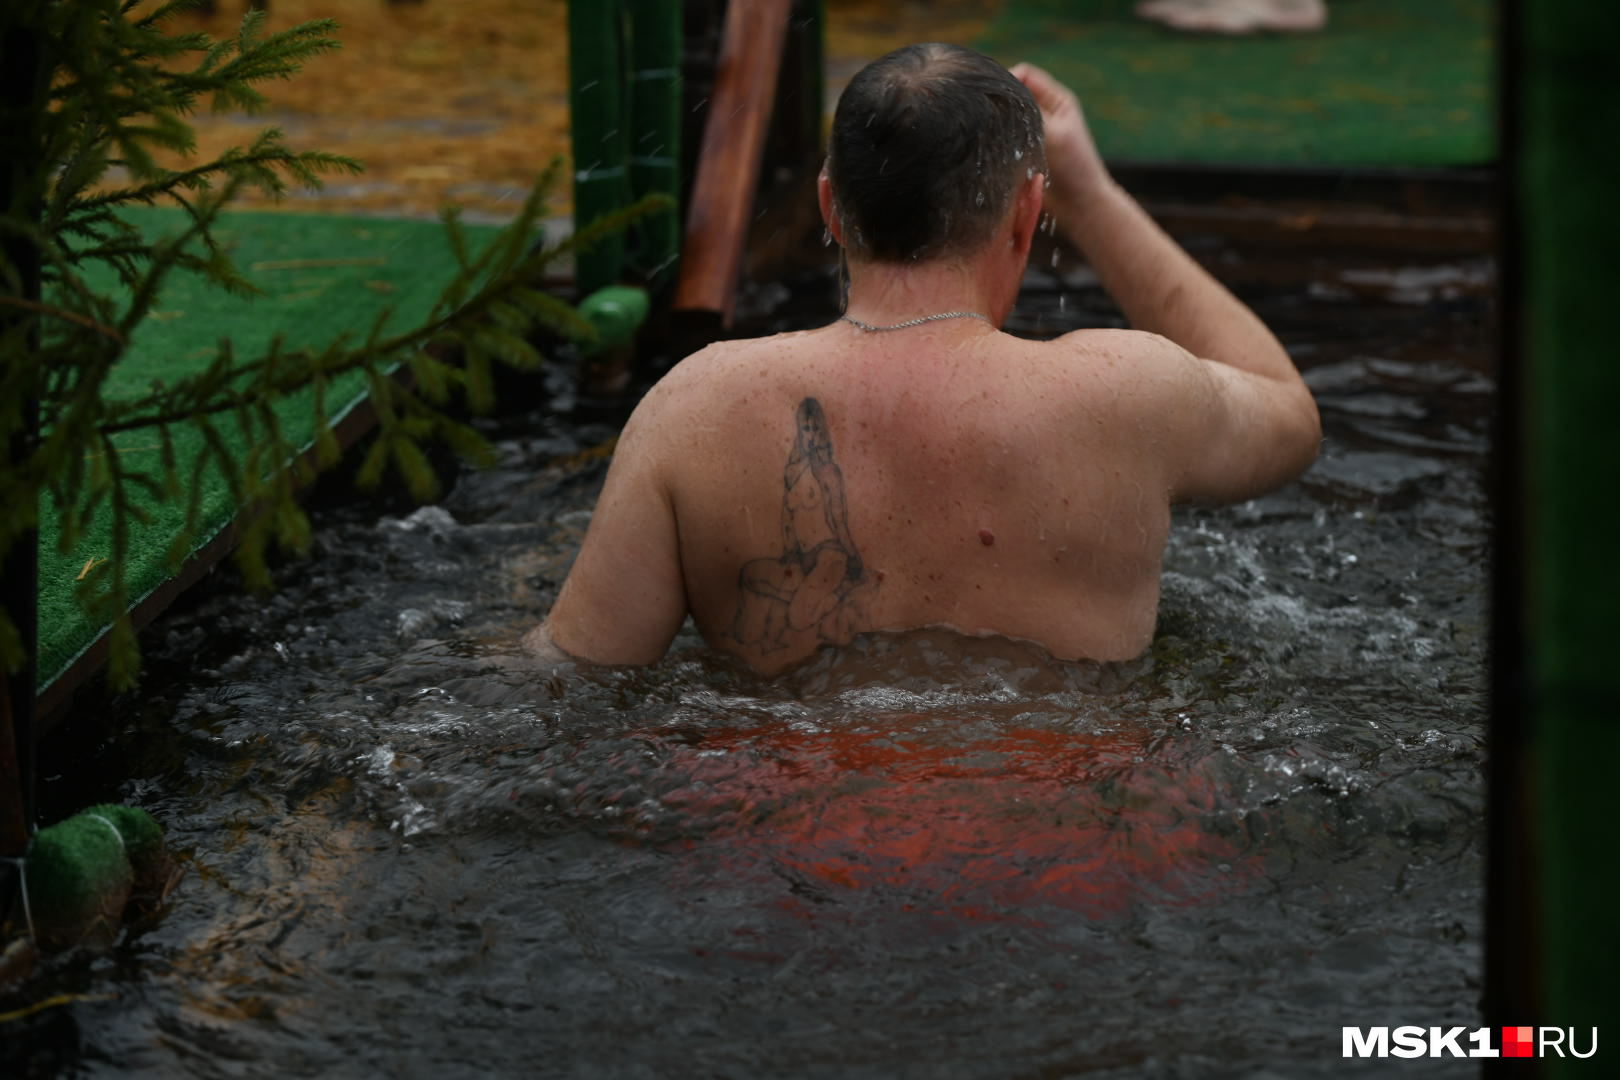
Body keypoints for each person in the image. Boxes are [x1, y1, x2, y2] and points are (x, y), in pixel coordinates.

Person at [526, 43, 1320, 674]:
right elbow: (1288, 410)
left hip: (788, 851)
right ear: (1027, 213)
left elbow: (575, 673)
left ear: (832, 209)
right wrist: (1091, 196)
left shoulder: (694, 406)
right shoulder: (1129, 392)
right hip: (1066, 850)